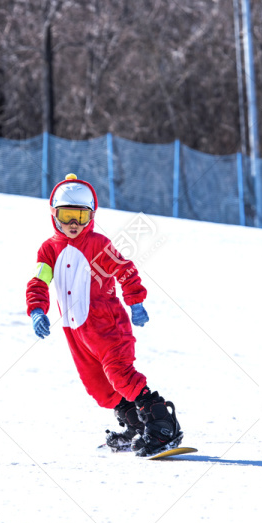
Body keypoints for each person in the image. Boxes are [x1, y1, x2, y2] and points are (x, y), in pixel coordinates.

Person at [25, 173, 182, 457]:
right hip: (77, 335)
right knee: (99, 388)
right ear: (54, 214)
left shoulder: (98, 244)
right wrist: (37, 309)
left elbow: (125, 270)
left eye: (81, 217)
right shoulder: (48, 250)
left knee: (121, 376)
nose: (74, 225)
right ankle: (136, 426)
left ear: (91, 216)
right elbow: (39, 282)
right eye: (67, 216)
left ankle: (162, 424)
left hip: (109, 327)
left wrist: (135, 302)